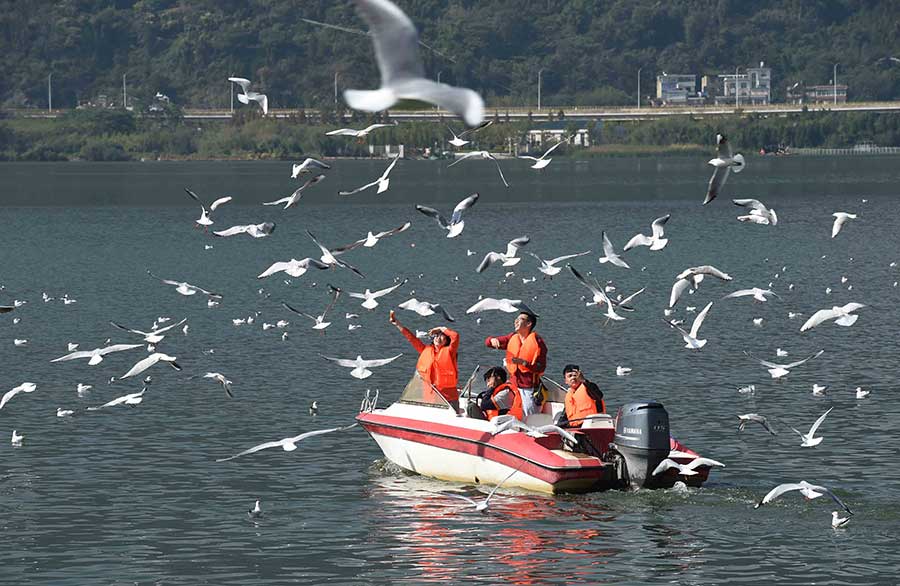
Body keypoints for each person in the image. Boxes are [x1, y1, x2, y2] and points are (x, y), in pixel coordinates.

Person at [390, 310, 460, 410]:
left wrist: (441, 328)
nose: (438, 338)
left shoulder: (450, 352)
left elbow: (455, 336)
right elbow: (411, 338)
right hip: (430, 397)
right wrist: (397, 323)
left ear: (447, 341)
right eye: (436, 336)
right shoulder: (425, 350)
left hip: (449, 398)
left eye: (441, 336)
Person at [485, 311, 547, 417]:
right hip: (513, 386)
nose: (516, 321)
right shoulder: (512, 337)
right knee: (489, 404)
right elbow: (488, 343)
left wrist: (524, 363)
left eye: (520, 319)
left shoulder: (538, 342)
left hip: (529, 389)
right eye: (516, 319)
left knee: (529, 417)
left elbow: (541, 368)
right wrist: (492, 340)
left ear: (529, 324)